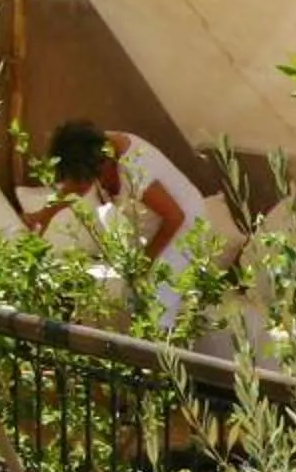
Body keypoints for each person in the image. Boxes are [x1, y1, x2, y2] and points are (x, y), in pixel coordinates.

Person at [25, 118, 206, 334]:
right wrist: (43, 216)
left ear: (101, 164)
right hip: (152, 224)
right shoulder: (93, 148)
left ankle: (160, 348)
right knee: (132, 297)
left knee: (156, 304)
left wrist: (144, 264)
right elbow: (76, 185)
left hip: (183, 228)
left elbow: (175, 217)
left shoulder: (135, 168)